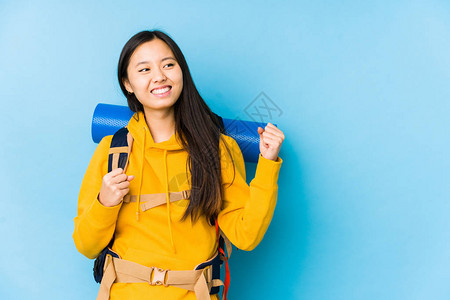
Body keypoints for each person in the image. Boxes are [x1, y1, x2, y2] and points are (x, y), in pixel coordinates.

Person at [73, 30, 285, 300]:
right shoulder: (112, 152)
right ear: (128, 83)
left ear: (181, 72)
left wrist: (267, 165)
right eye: (144, 69)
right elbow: (86, 245)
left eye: (168, 65)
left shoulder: (218, 149)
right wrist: (105, 201)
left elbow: (247, 235)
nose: (159, 76)